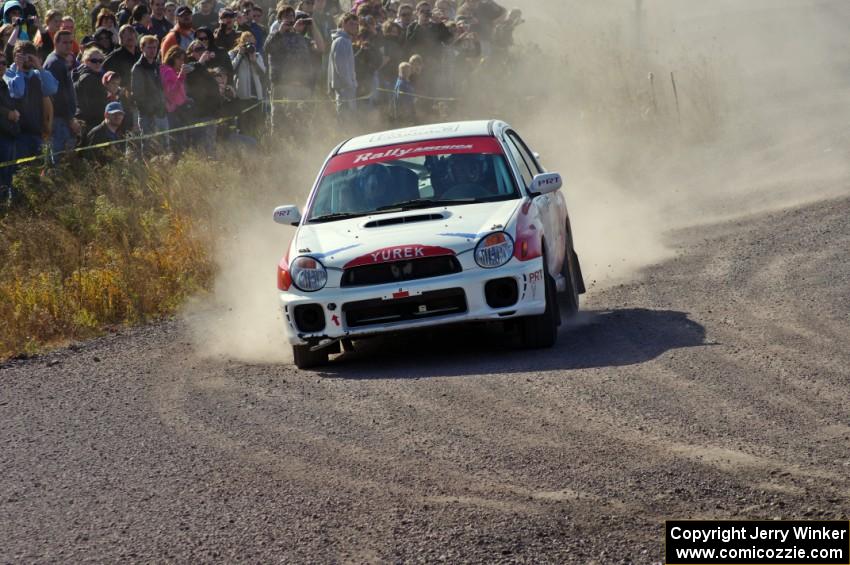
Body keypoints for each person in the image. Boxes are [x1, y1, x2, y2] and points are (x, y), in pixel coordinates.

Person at [4, 41, 57, 161]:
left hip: (37, 132)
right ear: (15, 57)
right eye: (23, 56)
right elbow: (18, 92)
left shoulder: (38, 75)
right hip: (17, 136)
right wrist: (19, 69)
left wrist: (39, 67)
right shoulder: (8, 74)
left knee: (39, 175)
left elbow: (52, 89)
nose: (27, 60)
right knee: (20, 174)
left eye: (30, 56)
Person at [43, 29, 80, 158]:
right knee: (61, 159)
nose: (69, 45)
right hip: (59, 120)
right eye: (64, 42)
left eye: (71, 42)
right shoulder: (55, 63)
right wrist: (70, 119)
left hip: (62, 119)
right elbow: (57, 97)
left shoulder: (60, 61)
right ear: (56, 43)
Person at [131, 34, 168, 154]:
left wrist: (162, 106)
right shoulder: (138, 68)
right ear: (142, 48)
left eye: (155, 48)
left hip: (161, 112)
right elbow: (138, 95)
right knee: (148, 146)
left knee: (164, 145)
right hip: (147, 114)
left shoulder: (156, 66)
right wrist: (151, 110)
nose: (153, 50)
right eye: (149, 47)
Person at [183, 40, 219, 152]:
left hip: (209, 112)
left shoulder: (206, 66)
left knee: (210, 146)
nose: (201, 52)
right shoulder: (188, 65)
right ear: (190, 52)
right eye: (198, 49)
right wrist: (200, 62)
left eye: (203, 49)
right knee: (197, 146)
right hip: (196, 113)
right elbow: (188, 72)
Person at [159, 45, 190, 151]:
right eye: (179, 59)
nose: (181, 62)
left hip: (177, 110)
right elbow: (170, 91)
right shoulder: (167, 71)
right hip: (172, 111)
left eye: (183, 60)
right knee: (176, 142)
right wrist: (181, 75)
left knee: (180, 141)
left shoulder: (170, 70)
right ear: (172, 58)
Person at [327, 12, 357, 118]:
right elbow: (341, 67)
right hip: (344, 88)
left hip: (347, 88)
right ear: (343, 24)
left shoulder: (346, 40)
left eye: (356, 24)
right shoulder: (341, 41)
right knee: (345, 118)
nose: (354, 26)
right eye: (351, 23)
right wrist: (350, 84)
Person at [74, 47, 108, 137]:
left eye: (100, 61)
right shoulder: (88, 78)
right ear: (85, 61)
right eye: (93, 60)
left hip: (90, 120)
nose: (97, 63)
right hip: (89, 122)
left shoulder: (96, 76)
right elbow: (91, 105)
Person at [0, 52, 19, 195]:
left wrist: (14, 113)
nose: (1, 66)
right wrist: (8, 113)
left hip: (9, 134)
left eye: (3, 63)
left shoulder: (4, 83)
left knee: (8, 177)